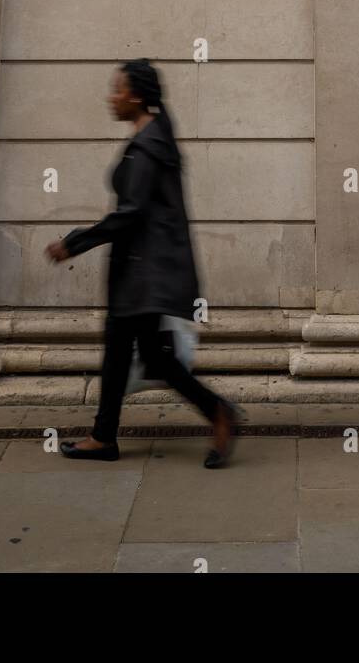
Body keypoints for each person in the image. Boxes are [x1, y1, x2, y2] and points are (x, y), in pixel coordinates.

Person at [46, 59, 239, 467]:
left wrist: (74, 242)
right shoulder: (153, 139)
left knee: (123, 350)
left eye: (117, 89)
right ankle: (207, 414)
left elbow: (130, 214)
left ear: (135, 96)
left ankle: (107, 436)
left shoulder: (147, 148)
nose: (110, 97)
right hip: (144, 270)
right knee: (150, 356)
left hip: (142, 272)